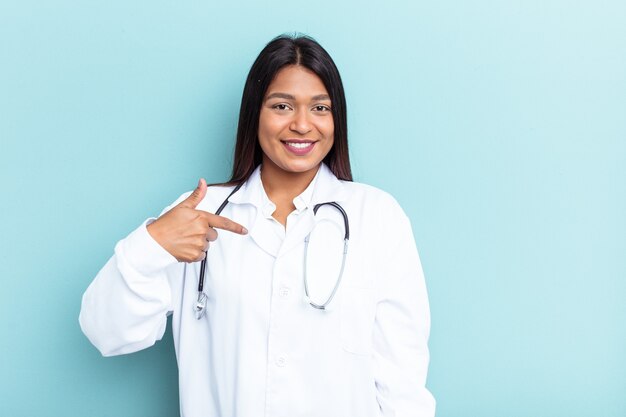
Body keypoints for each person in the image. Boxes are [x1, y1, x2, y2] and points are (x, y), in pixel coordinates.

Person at [79, 34, 436, 417]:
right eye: (282, 105)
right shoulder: (197, 215)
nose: (302, 125)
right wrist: (152, 243)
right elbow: (107, 332)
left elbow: (402, 380)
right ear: (255, 114)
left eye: (320, 108)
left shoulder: (377, 216)